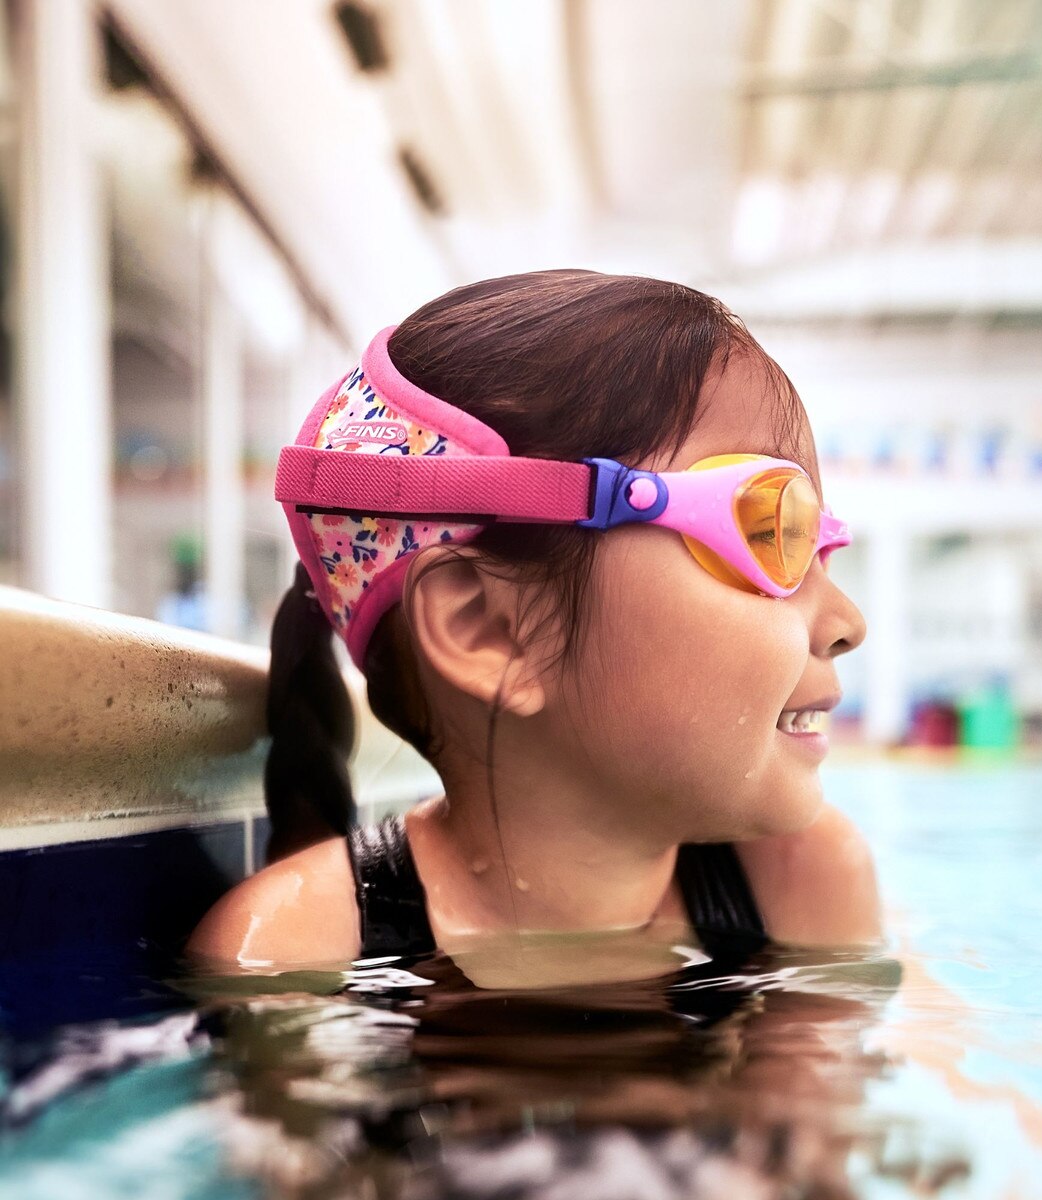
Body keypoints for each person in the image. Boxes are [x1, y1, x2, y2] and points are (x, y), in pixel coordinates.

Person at [188, 270, 879, 984]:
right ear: (487, 628)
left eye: (817, 544)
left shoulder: (802, 883)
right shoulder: (288, 950)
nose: (847, 623)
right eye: (769, 532)